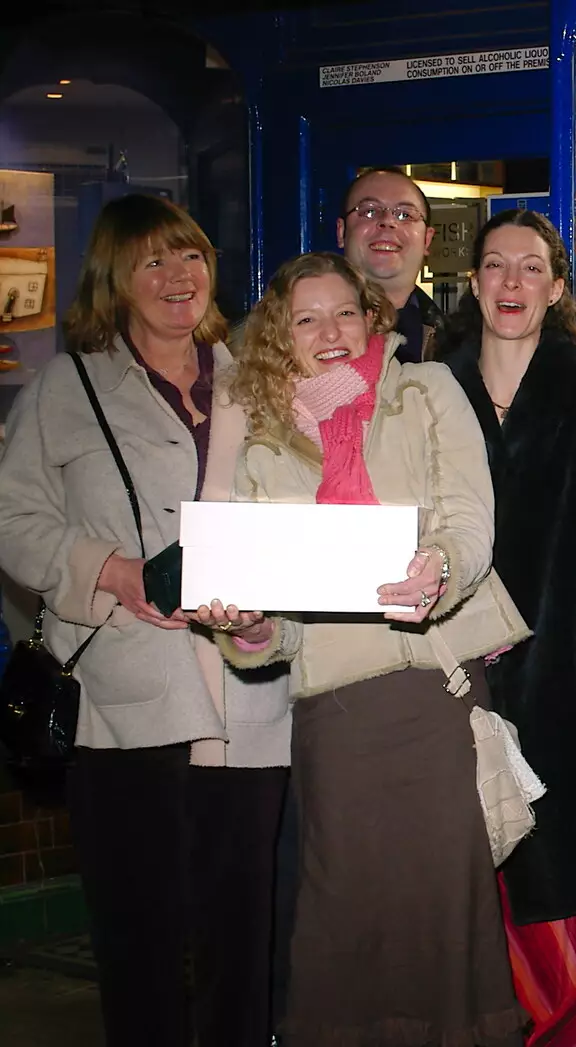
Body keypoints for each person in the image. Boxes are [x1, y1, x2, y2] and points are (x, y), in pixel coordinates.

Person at [200, 251, 529, 1046]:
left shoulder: (427, 390)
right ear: (282, 334)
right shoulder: (262, 434)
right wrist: (246, 625)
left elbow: (469, 519)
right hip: (336, 717)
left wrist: (440, 566)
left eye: (345, 311)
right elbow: (276, 616)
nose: (331, 331)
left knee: (443, 920)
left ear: (371, 316)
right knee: (341, 919)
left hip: (433, 699)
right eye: (306, 318)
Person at [0, 193, 290, 1046]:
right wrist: (110, 571)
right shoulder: (70, 385)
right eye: (153, 260)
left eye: (190, 254)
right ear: (115, 281)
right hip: (127, 705)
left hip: (248, 700)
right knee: (142, 947)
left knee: (244, 945)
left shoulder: (261, 377)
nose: (178, 276)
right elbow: (13, 518)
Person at [437, 208, 576, 1045]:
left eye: (531, 268)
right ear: (474, 282)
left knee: (566, 908)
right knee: (472, 903)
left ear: (559, 285)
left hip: (559, 686)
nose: (511, 284)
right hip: (452, 683)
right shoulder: (433, 387)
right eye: (496, 267)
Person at [337, 166, 441, 363]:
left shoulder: (463, 345)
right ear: (341, 232)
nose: (387, 222)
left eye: (404, 215)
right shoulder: (298, 337)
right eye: (369, 212)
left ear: (427, 240)